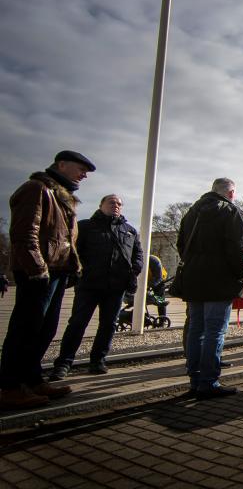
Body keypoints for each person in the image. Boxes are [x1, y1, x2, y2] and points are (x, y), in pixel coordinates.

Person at [1, 150, 94, 410]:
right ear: (61, 165)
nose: (84, 174)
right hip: (39, 273)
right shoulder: (36, 189)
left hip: (56, 272)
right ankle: (9, 386)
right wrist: (37, 269)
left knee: (45, 329)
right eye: (81, 168)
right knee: (25, 329)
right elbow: (24, 233)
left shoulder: (62, 197)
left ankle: (31, 380)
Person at [50, 194, 143, 380]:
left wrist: (134, 270)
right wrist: (79, 272)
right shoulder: (85, 226)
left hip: (116, 287)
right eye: (111, 202)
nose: (116, 205)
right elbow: (73, 251)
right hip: (89, 285)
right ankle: (63, 363)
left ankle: (98, 361)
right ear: (101, 205)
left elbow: (137, 254)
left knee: (109, 325)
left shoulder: (129, 230)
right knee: (77, 323)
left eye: (119, 204)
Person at [178, 178, 243, 399]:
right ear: (231, 193)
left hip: (193, 277)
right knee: (214, 331)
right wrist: (242, 272)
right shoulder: (230, 212)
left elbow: (182, 244)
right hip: (220, 279)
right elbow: (237, 248)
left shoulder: (192, 212)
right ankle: (209, 381)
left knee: (196, 329)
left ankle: (195, 378)